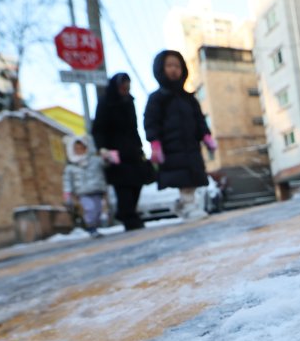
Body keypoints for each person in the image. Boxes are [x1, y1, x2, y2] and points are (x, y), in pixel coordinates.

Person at [144, 50, 217, 220]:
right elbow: (150, 121)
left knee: (193, 175)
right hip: (170, 146)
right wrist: (154, 143)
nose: (174, 69)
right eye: (169, 65)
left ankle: (183, 205)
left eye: (177, 65)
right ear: (160, 69)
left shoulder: (189, 98)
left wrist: (206, 136)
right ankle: (189, 205)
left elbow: (199, 120)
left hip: (191, 145)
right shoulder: (157, 98)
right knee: (183, 178)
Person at [92, 72, 151, 231]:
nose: (126, 90)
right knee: (123, 186)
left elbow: (134, 127)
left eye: (128, 87)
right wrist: (102, 148)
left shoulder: (129, 101)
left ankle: (126, 212)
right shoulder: (105, 102)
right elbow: (98, 128)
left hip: (133, 150)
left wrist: (140, 148)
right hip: (115, 152)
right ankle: (129, 217)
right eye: (123, 87)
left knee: (137, 182)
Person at [62, 135, 109, 238]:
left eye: (81, 148)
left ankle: (94, 227)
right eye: (76, 149)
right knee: (90, 209)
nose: (79, 150)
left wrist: (107, 156)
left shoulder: (95, 160)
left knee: (98, 210)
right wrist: (67, 194)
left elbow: (106, 163)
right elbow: (67, 181)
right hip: (82, 192)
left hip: (97, 189)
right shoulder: (71, 167)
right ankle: (91, 228)